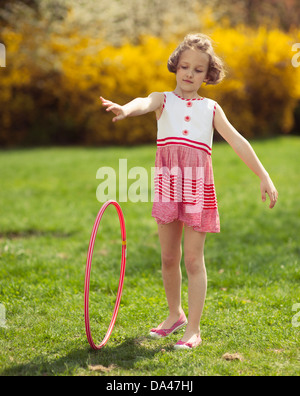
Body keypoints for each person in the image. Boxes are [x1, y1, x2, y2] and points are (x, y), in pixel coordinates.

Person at [100, 33, 278, 350]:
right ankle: (175, 315)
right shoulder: (163, 100)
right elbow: (144, 102)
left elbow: (238, 141)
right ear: (175, 67)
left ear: (208, 75)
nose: (189, 74)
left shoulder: (210, 108)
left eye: (198, 69)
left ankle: (193, 329)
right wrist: (126, 109)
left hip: (198, 186)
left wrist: (263, 175)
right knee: (169, 256)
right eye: (184, 66)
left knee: (194, 260)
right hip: (169, 182)